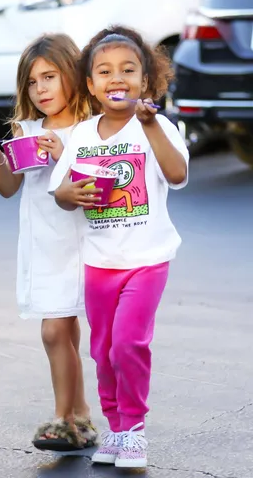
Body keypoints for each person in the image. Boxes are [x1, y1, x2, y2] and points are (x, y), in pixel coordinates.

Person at [48, 25, 189, 468]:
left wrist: (149, 125)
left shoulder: (157, 125)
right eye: (105, 71)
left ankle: (135, 430)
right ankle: (115, 427)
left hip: (147, 259)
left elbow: (178, 174)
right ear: (90, 85)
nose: (117, 78)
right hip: (100, 262)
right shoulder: (83, 135)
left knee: (129, 343)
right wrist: (69, 194)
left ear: (146, 81)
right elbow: (61, 189)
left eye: (129, 70)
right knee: (103, 349)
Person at [0, 33, 97, 452]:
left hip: (86, 243)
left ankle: (66, 420)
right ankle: (78, 417)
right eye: (32, 82)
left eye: (50, 77)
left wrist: (63, 155)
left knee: (57, 330)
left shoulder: (92, 129)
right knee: (61, 331)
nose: (40, 89)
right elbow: (8, 189)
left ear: (72, 75)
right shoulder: (27, 129)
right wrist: (0, 159)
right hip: (45, 247)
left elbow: (94, 184)